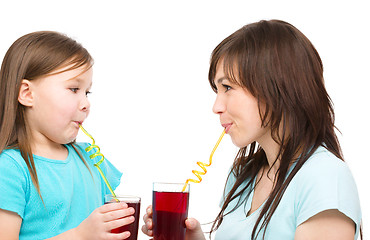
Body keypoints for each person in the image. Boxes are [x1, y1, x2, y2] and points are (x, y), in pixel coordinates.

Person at [142, 20, 362, 239]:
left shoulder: (325, 177)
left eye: (228, 87)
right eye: (217, 90)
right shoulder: (242, 174)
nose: (217, 107)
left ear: (276, 87)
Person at [0, 31, 135, 240]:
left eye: (87, 92)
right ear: (27, 93)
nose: (86, 104)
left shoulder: (92, 160)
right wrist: (80, 236)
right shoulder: (10, 169)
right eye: (74, 89)